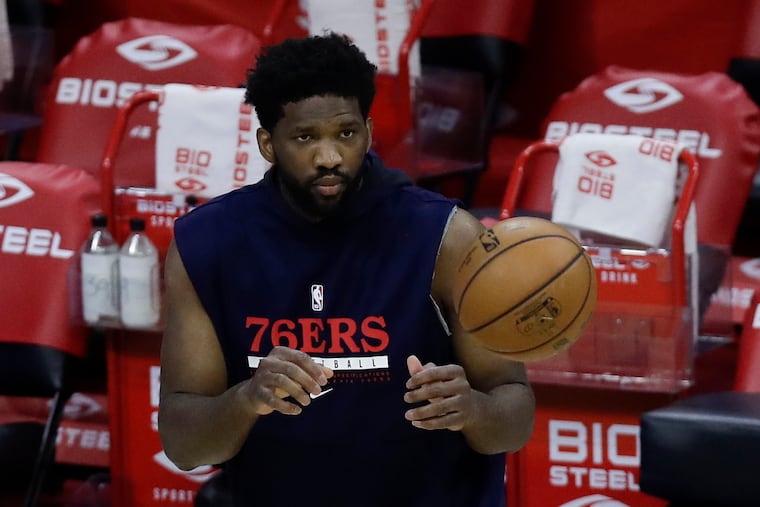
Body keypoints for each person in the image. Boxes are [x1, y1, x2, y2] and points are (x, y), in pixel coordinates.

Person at [158, 32, 535, 507]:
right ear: (267, 144)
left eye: (346, 133)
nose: (330, 157)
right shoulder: (207, 244)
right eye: (304, 138)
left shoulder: (446, 237)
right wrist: (247, 399)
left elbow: (515, 416)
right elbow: (184, 445)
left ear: (369, 133)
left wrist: (473, 408)